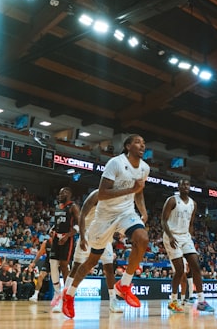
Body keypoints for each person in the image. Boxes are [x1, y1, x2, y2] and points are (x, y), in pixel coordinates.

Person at [61, 135, 150, 319]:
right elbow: (102, 193)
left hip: (126, 212)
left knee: (143, 239)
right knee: (91, 262)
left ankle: (124, 284)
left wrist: (143, 211)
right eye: (137, 142)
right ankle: (68, 296)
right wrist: (131, 190)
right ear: (127, 146)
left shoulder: (144, 168)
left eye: (143, 143)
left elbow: (139, 192)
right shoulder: (115, 163)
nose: (142, 145)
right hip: (104, 217)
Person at [163, 179, 212, 313]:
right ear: (178, 187)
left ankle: (201, 301)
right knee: (179, 270)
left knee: (195, 265)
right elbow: (163, 220)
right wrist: (170, 236)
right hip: (172, 236)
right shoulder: (172, 200)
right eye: (182, 184)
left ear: (190, 187)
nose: (185, 186)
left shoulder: (193, 204)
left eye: (187, 184)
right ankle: (173, 300)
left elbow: (190, 223)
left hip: (185, 237)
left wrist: (190, 237)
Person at [40, 186, 80, 313]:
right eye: (59, 193)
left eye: (62, 193)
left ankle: (66, 295)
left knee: (64, 265)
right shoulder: (58, 207)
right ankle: (57, 293)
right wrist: (52, 229)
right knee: (52, 263)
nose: (60, 195)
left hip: (67, 238)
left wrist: (68, 236)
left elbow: (79, 224)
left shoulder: (73, 206)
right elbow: (57, 222)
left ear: (69, 194)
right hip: (56, 238)